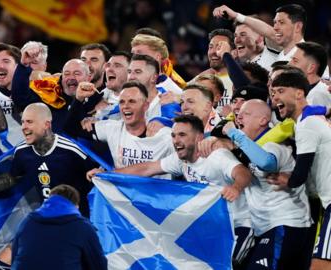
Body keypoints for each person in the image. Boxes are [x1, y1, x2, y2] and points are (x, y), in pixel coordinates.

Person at [89, 114, 252, 265]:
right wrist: (107, 175)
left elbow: (242, 173)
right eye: (173, 136)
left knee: (228, 264)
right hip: (209, 227)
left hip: (237, 224)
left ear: (199, 138)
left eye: (182, 135)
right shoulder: (181, 160)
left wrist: (236, 188)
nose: (176, 141)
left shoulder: (216, 156)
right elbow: (147, 169)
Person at [222, 99, 311, 269]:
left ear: (263, 120)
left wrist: (234, 133)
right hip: (266, 228)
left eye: (245, 114)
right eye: (238, 115)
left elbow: (267, 163)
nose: (239, 118)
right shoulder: (249, 147)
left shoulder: (275, 144)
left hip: (286, 224)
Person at [0, 103, 94, 217]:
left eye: (29, 122)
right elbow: (11, 178)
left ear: (47, 125)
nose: (23, 127)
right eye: (22, 122)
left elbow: (97, 177)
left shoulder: (72, 151)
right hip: (48, 220)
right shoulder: (22, 152)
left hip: (79, 220)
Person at [267, 68, 331, 270]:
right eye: (273, 92)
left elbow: (299, 176)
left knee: (320, 266)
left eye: (281, 90)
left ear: (299, 93)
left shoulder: (307, 125)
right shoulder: (309, 120)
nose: (275, 96)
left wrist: (286, 179)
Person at [65, 81, 174, 173]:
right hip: (123, 197)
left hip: (156, 196)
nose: (126, 106)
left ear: (146, 105)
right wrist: (78, 99)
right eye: (122, 102)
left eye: (132, 101)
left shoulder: (165, 135)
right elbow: (70, 130)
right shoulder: (111, 129)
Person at [10, 184, 107, 270]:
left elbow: (15, 256)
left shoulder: (28, 221)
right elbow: (98, 263)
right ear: (76, 206)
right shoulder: (83, 227)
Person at [213, 4, 306, 63]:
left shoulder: (305, 53)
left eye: (281, 23)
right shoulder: (282, 55)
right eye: (275, 23)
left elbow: (270, 33)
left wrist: (236, 15)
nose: (276, 27)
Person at [193, 29, 235, 107]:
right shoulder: (200, 79)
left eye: (219, 47)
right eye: (211, 47)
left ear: (233, 52)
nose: (213, 52)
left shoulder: (240, 79)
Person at [289, 42, 331, 107]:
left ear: (311, 68)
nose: (289, 64)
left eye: (295, 61)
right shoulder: (299, 90)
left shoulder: (319, 94)